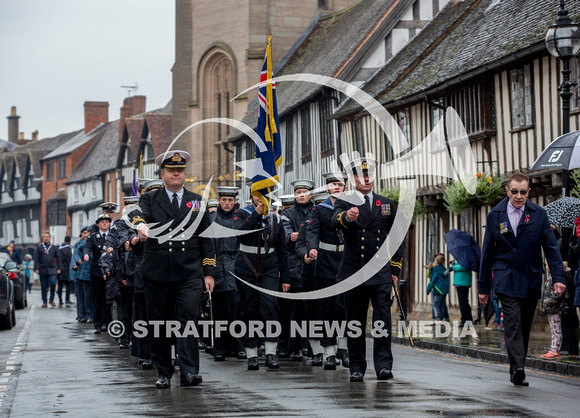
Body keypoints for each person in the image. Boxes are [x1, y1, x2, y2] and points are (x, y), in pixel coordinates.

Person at [133, 150, 216, 389]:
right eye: (171, 170)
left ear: (185, 175)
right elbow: (140, 215)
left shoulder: (196, 201)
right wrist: (140, 226)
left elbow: (206, 238)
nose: (176, 174)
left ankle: (189, 371)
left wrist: (209, 272)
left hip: (189, 272)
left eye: (180, 170)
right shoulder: (150, 198)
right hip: (157, 272)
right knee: (159, 322)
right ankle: (164, 371)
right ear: (163, 174)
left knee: (188, 319)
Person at [479, 172, 566, 387]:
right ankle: (519, 368)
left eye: (523, 192)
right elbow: (487, 253)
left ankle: (516, 367)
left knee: (524, 324)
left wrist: (558, 277)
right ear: (507, 190)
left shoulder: (538, 214)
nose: (519, 196)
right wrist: (483, 287)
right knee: (513, 321)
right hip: (504, 276)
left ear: (529, 192)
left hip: (530, 276)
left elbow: (551, 248)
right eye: (515, 191)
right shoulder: (495, 215)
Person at [331, 157, 402, 382]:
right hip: (354, 271)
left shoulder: (387, 204)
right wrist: (347, 218)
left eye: (370, 174)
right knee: (355, 321)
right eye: (362, 175)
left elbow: (396, 238)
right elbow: (335, 220)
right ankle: (357, 366)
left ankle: (383, 366)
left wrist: (395, 269)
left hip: (380, 272)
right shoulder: (344, 201)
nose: (367, 178)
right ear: (353, 179)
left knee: (382, 320)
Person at [234, 194, 290, 370]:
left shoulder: (275, 218)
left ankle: (271, 352)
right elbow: (240, 233)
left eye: (265, 196)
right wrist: (256, 214)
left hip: (269, 265)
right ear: (251, 197)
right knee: (249, 308)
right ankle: (251, 353)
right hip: (246, 265)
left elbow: (282, 249)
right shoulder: (242, 213)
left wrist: (285, 278)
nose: (262, 200)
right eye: (258, 196)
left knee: (269, 306)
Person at [304, 172, 350, 369]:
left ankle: (344, 348)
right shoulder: (319, 210)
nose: (337, 187)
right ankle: (329, 352)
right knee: (326, 309)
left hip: (347, 263)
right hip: (325, 263)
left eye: (340, 184)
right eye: (333, 185)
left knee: (345, 308)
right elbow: (312, 231)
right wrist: (312, 248)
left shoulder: (352, 208)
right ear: (327, 189)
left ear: (345, 188)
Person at [280, 179, 315, 361]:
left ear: (310, 194)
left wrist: (299, 235)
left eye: (304, 192)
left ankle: (310, 345)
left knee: (311, 310)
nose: (301, 195)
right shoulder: (288, 213)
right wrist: (296, 236)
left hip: (311, 266)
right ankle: (294, 346)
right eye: (298, 192)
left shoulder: (315, 211)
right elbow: (286, 233)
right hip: (293, 266)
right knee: (295, 310)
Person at [210, 186, 245, 361]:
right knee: (219, 312)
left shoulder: (241, 218)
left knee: (236, 310)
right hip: (216, 268)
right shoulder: (211, 219)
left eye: (230, 200)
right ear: (219, 200)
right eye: (224, 200)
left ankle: (238, 346)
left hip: (236, 269)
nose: (227, 203)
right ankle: (220, 348)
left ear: (235, 201)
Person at [84, 214, 113, 334]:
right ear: (98, 224)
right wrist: (86, 254)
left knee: (108, 298)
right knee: (97, 298)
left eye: (107, 221)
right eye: (103, 222)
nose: (105, 223)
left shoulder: (112, 235)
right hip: (96, 272)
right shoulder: (92, 237)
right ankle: (98, 324)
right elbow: (87, 247)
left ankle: (108, 323)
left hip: (109, 271)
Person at [540, 259, 566, 359]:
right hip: (551, 309)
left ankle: (555, 349)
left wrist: (547, 303)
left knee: (556, 330)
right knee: (553, 330)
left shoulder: (555, 279)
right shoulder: (551, 278)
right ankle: (553, 348)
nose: (546, 267)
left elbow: (556, 295)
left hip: (554, 309)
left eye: (547, 265)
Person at [33, 232, 62, 308]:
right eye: (45, 237)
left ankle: (51, 299)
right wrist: (36, 268)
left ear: (50, 238)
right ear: (43, 238)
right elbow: (36, 259)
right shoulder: (39, 248)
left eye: (47, 237)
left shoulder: (54, 248)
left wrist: (59, 268)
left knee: (52, 283)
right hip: (42, 270)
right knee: (43, 286)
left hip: (52, 269)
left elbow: (58, 258)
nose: (46, 238)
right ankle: (44, 301)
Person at [71, 226, 93, 322]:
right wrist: (77, 261)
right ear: (81, 234)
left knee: (87, 295)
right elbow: (75, 255)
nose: (86, 234)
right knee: (80, 295)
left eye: (88, 233)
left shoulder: (90, 242)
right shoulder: (77, 244)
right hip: (79, 271)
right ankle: (81, 314)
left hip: (88, 270)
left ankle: (88, 314)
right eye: (84, 233)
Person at [449, 260, 473, 327]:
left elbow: (464, 266)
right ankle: (468, 319)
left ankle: (464, 320)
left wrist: (453, 267)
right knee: (464, 301)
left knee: (462, 302)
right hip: (461, 281)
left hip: (462, 282)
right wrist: (454, 263)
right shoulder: (462, 256)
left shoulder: (466, 257)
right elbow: (460, 264)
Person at [427, 254, 449, 322]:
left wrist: (428, 289)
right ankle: (441, 318)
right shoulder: (445, 270)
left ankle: (437, 318)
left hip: (437, 290)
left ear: (436, 261)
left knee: (435, 305)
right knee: (442, 305)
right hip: (444, 291)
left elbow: (432, 280)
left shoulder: (436, 270)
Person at [57, 235, 73, 306]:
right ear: (69, 241)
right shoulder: (68, 249)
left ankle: (60, 300)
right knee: (68, 285)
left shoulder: (59, 248)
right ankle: (67, 299)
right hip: (66, 269)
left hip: (60, 269)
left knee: (60, 285)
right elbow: (69, 259)